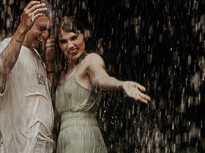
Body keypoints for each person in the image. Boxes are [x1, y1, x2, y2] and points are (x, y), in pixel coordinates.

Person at [53, 16, 151, 153]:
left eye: (74, 38)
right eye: (63, 41)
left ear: (84, 36)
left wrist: (121, 84)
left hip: (82, 137)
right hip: (64, 140)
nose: (70, 45)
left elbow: (101, 78)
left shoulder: (90, 60)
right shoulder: (62, 73)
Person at [0, 0, 57, 153]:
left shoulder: (38, 57)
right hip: (21, 146)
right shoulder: (6, 47)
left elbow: (47, 95)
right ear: (26, 23)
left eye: (48, 30)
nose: (46, 35)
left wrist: (50, 64)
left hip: (43, 145)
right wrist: (21, 30)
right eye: (41, 28)